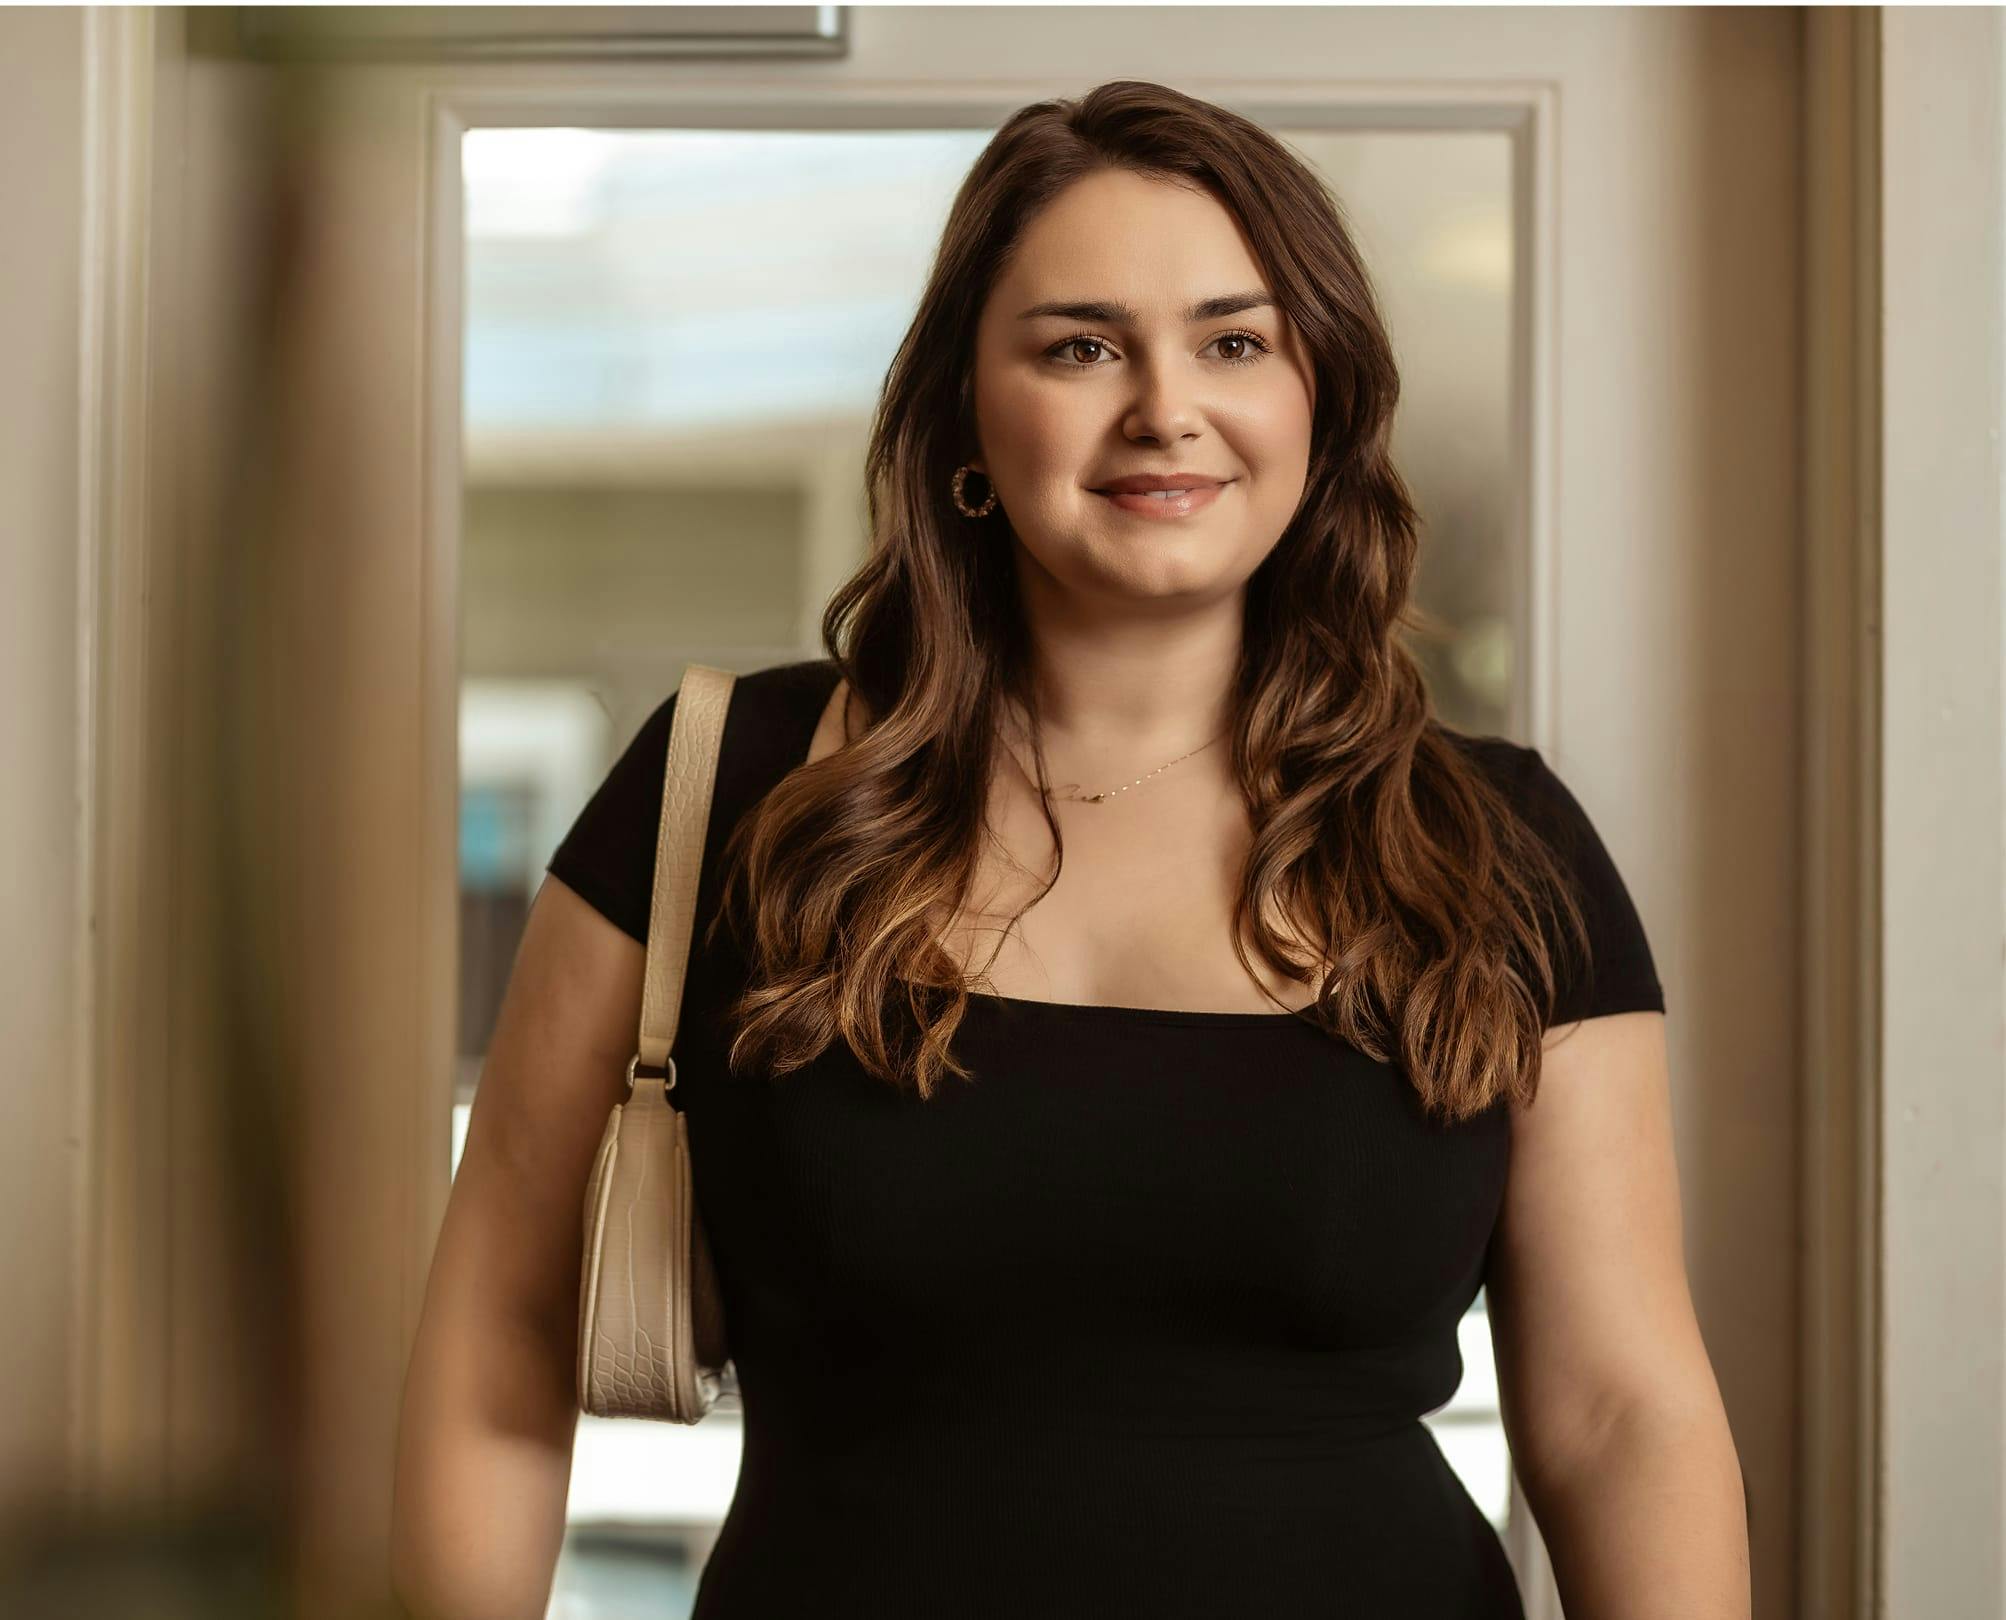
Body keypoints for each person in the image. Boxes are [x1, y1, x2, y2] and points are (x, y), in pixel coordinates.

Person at [391, 79, 1750, 1620]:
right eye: (1079, 345)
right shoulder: (730, 791)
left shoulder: (1496, 847)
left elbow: (1618, 1413)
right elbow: (500, 1339)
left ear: (1319, 400)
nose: (1162, 407)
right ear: (969, 410)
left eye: (1233, 342)